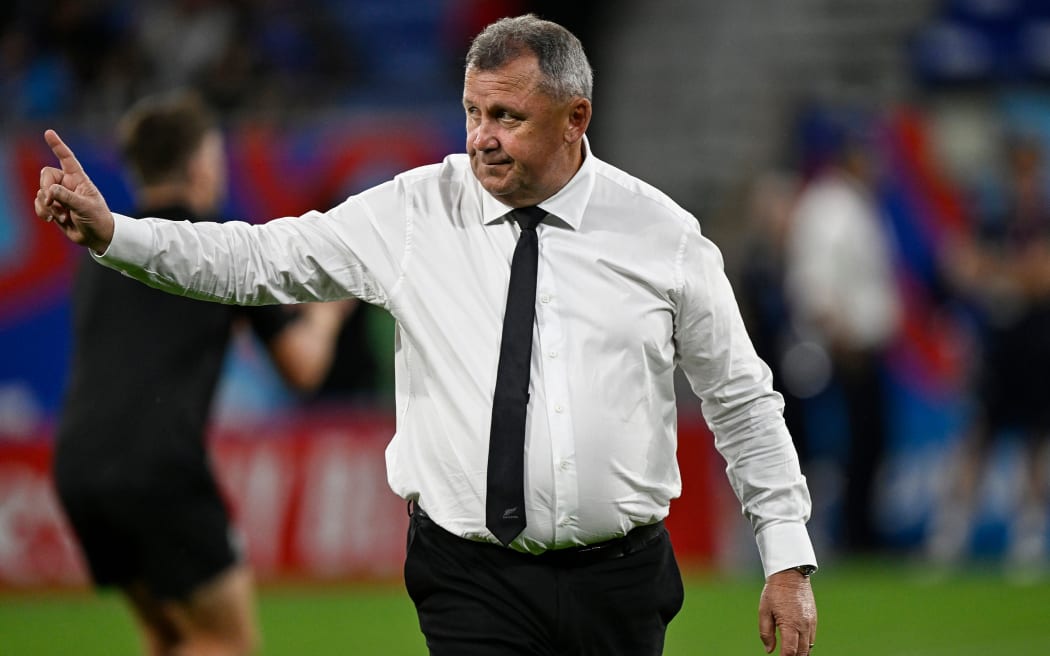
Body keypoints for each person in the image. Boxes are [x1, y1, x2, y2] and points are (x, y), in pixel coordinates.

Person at [37, 15, 818, 656]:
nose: (482, 137)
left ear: (576, 117)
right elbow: (257, 259)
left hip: (621, 582)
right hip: (468, 576)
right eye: (473, 112)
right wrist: (117, 235)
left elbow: (742, 401)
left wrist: (785, 555)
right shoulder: (413, 213)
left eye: (507, 117)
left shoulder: (661, 235)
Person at [50, 90, 350, 656]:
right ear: (198, 163)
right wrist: (330, 315)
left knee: (167, 637)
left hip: (78, 467)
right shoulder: (221, 247)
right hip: (159, 466)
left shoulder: (100, 256)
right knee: (226, 643)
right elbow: (303, 368)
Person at [929, 135, 1050, 576]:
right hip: (997, 342)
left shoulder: (1041, 216)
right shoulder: (992, 216)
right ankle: (950, 533)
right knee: (977, 438)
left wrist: (999, 269)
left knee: (1036, 443)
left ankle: (1030, 534)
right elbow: (959, 264)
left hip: (1037, 342)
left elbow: (1042, 278)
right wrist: (1012, 270)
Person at [784, 121, 901, 555]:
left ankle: (860, 534)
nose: (878, 164)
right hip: (842, 352)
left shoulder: (856, 202)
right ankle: (846, 539)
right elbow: (813, 282)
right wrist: (841, 335)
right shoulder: (830, 205)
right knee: (843, 449)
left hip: (861, 349)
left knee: (868, 448)